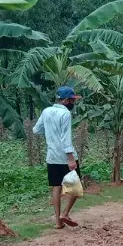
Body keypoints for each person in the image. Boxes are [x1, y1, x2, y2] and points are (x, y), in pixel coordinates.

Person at [33, 86, 82, 229]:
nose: (73, 103)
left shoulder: (46, 111)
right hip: (65, 156)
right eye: (73, 100)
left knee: (56, 186)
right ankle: (65, 213)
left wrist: (50, 134)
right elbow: (66, 139)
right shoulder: (65, 114)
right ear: (66, 100)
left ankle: (58, 222)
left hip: (52, 156)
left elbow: (36, 130)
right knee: (76, 186)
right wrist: (71, 159)